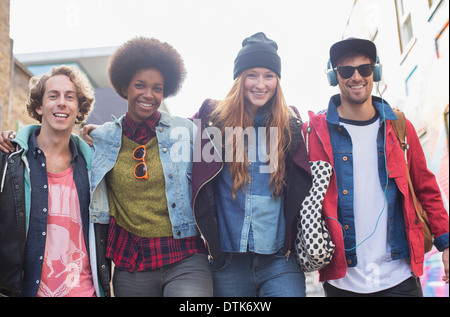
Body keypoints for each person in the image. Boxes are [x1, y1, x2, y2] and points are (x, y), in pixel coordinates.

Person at [305, 37, 449, 297]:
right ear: (334, 76)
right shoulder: (316, 133)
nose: (356, 77)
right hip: (343, 281)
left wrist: (446, 244)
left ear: (376, 72)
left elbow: (426, 189)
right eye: (346, 71)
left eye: (365, 69)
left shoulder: (400, 129)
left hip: (400, 275)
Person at [82, 37, 212, 297]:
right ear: (124, 87)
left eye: (157, 88)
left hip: (185, 256)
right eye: (140, 85)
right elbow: (60, 146)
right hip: (132, 263)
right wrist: (17, 137)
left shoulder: (185, 131)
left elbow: (219, 156)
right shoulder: (103, 139)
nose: (149, 95)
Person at [191, 32, 312, 297]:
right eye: (252, 75)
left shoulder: (290, 125)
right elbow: (168, 134)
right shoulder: (213, 119)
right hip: (228, 263)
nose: (260, 84)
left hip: (280, 260)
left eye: (269, 75)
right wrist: (109, 134)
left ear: (277, 80)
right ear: (239, 78)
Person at [0, 65, 106, 297]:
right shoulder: (11, 160)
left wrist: (109, 138)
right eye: (53, 96)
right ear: (39, 106)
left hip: (85, 291)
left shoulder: (95, 166)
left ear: (80, 110)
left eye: (70, 97)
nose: (62, 103)